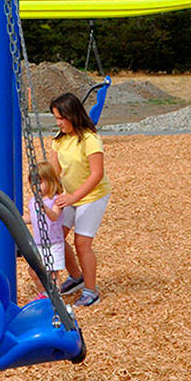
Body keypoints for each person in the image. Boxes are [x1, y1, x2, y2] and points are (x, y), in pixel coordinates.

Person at [46, 92, 110, 307]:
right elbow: (54, 169)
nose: (58, 123)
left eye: (61, 118)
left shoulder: (90, 139)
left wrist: (74, 196)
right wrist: (47, 191)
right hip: (71, 196)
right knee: (56, 234)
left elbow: (96, 174)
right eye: (56, 118)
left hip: (92, 195)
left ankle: (92, 291)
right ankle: (76, 277)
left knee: (82, 243)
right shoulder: (60, 138)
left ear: (72, 115)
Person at [26, 161, 66, 296]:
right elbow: (33, 218)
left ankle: (56, 297)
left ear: (50, 181)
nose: (36, 186)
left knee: (53, 273)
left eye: (40, 182)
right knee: (33, 271)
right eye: (33, 183)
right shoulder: (33, 201)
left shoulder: (56, 200)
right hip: (39, 244)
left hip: (54, 243)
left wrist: (45, 208)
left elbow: (54, 216)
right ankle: (44, 293)